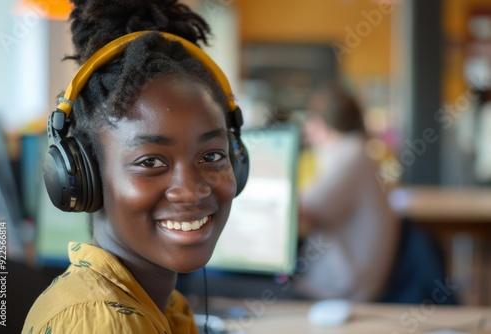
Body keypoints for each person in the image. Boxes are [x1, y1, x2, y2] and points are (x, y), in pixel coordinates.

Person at [22, 0, 248, 333]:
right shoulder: (103, 323)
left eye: (212, 156)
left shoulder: (165, 307)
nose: (190, 191)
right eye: (151, 162)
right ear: (87, 176)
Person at [294, 83, 400, 302]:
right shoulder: (356, 152)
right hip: (350, 277)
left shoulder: (349, 156)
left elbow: (303, 209)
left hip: (344, 289)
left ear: (320, 125)